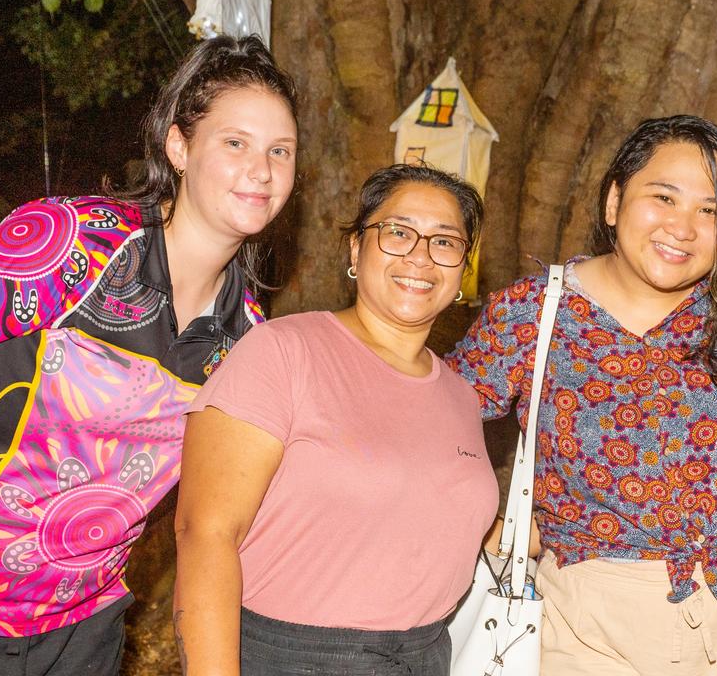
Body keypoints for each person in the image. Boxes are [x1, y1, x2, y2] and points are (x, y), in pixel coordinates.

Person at [0, 34, 298, 675]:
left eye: (281, 151)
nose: (262, 169)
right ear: (179, 146)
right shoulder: (67, 246)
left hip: (74, 638)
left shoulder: (245, 336)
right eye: (236, 142)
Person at [449, 115, 717, 675]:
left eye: (710, 210)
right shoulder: (532, 315)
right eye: (664, 197)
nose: (683, 227)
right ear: (614, 201)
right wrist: (488, 515)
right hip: (591, 628)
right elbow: (430, 424)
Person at [173, 163, 498, 676]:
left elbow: (426, 511)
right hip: (294, 659)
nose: (421, 256)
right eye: (397, 232)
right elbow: (205, 534)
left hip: (428, 657)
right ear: (355, 249)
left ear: (463, 267)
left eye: (445, 242)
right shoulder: (283, 352)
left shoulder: (460, 395)